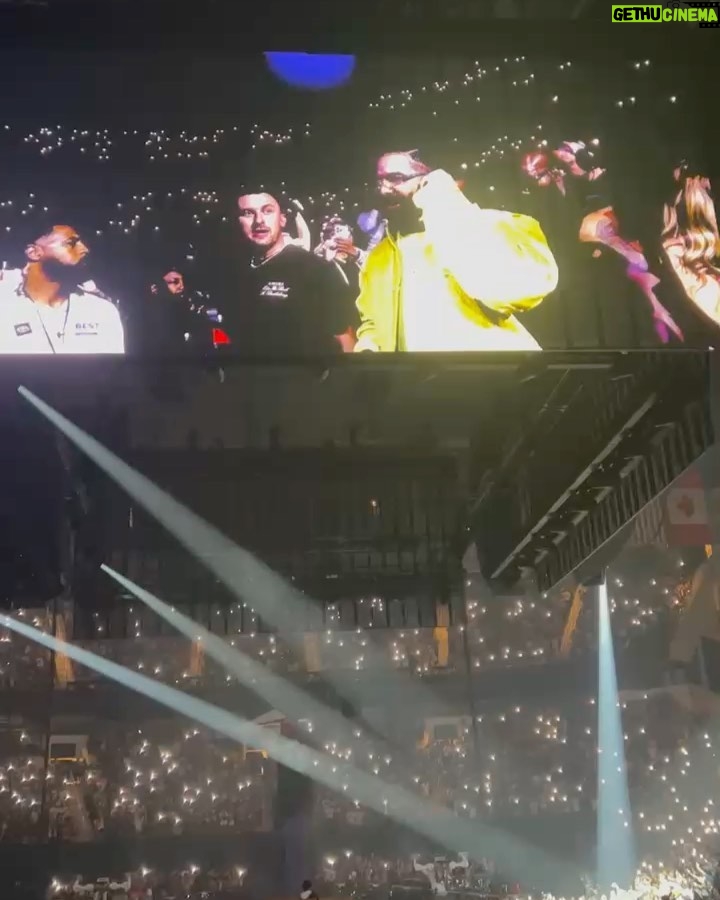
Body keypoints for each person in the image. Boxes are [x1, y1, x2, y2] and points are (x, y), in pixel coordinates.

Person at [354, 150, 558, 353]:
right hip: (418, 381)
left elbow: (514, 290)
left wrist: (445, 204)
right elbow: (373, 322)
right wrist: (368, 349)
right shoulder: (379, 257)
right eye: (380, 182)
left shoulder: (494, 224)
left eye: (395, 178)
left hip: (490, 375)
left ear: (430, 178)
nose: (383, 190)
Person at [227, 190, 356, 356]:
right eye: (248, 213)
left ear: (282, 218)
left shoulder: (317, 269)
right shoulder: (234, 271)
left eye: (268, 211)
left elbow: (345, 339)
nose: (259, 221)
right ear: (237, 221)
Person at [0, 224, 125, 354]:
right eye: (71, 243)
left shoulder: (102, 311)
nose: (85, 249)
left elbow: (114, 372)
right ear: (34, 252)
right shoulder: (5, 307)